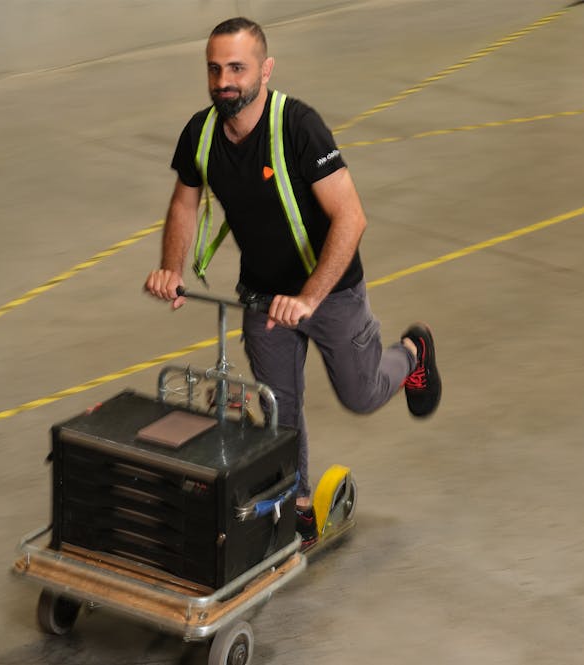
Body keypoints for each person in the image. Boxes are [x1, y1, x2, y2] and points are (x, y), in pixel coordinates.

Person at [143, 17, 441, 549]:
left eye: (237, 68)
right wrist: (171, 267)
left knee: (362, 394)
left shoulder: (299, 127)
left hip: (330, 291)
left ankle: (413, 353)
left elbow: (351, 218)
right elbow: (184, 202)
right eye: (215, 69)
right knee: (279, 410)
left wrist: (309, 298)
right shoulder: (200, 133)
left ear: (266, 70)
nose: (224, 82)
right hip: (263, 296)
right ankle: (297, 506)